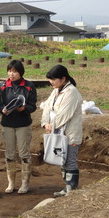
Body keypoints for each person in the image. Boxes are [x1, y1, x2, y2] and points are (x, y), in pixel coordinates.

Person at [41, 64, 83, 197]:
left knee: (70, 160)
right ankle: (67, 187)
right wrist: (45, 123)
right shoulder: (56, 91)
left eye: (53, 79)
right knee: (62, 161)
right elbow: (47, 107)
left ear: (63, 78)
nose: (51, 82)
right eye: (50, 79)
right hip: (58, 132)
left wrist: (52, 125)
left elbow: (65, 114)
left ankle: (72, 190)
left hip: (70, 134)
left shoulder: (72, 92)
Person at [0, 60, 37, 194]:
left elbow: (33, 105)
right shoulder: (3, 86)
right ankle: (11, 183)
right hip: (7, 124)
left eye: (14, 71)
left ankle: (25, 183)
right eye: (9, 71)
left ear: (20, 72)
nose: (11, 74)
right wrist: (2, 109)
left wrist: (24, 109)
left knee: (24, 153)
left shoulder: (29, 86)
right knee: (9, 154)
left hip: (23, 124)